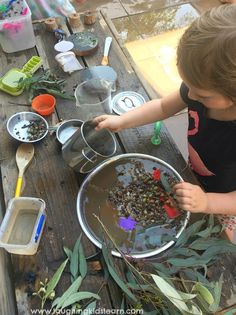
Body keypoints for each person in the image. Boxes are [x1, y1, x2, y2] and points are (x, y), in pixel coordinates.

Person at [94, 5, 236, 232]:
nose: (190, 96)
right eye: (188, 86)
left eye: (201, 94)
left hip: (225, 200)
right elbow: (162, 106)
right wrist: (122, 121)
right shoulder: (201, 89)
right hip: (197, 177)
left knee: (215, 236)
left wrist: (208, 202)